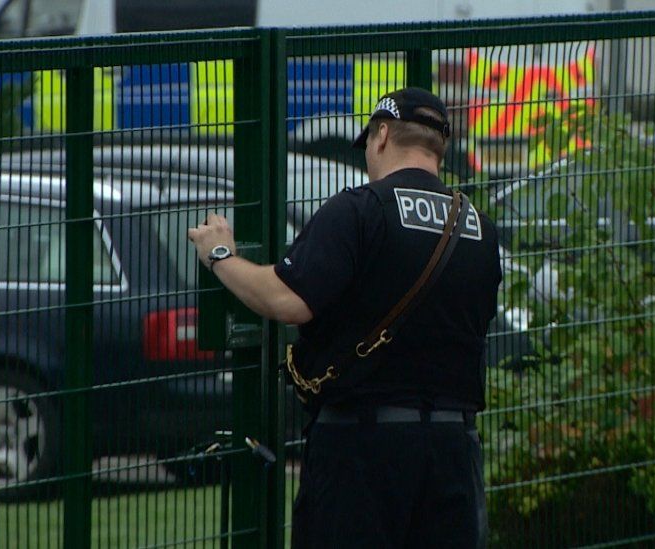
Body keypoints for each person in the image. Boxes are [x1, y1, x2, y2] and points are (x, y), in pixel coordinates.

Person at [187, 87, 501, 548]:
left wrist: (220, 256)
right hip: (455, 449)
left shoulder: (359, 209)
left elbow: (287, 300)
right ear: (441, 148)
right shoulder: (479, 228)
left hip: (362, 450)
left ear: (382, 135)